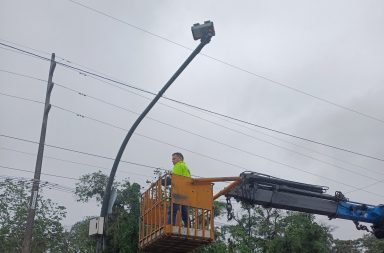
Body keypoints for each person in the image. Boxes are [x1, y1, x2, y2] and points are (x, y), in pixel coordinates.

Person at [167, 152, 191, 226]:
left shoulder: (178, 165)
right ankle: (189, 228)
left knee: (172, 211)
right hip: (185, 193)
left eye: (174, 158)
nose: (172, 161)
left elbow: (174, 179)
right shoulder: (186, 168)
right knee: (185, 212)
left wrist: (161, 181)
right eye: (172, 159)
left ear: (180, 158)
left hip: (177, 192)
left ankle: (170, 226)